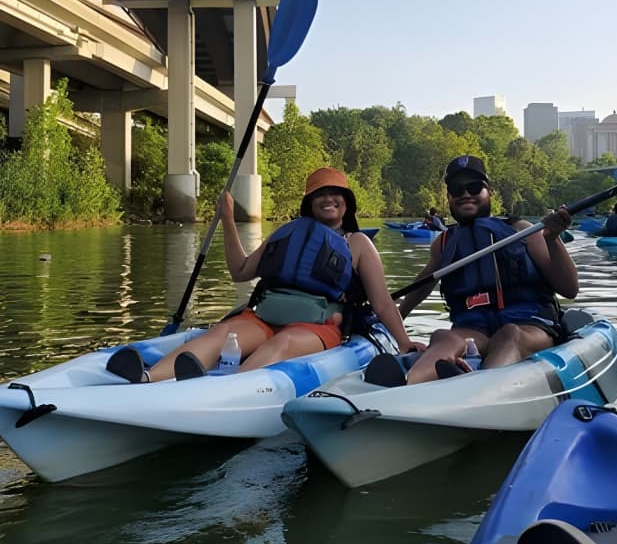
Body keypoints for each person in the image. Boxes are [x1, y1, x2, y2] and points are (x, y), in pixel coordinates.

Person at [106, 167, 423, 382]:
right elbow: (241, 271)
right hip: (265, 316)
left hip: (320, 325)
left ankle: (218, 390)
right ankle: (147, 378)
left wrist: (405, 342)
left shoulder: (358, 244)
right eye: (320, 194)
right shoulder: (287, 234)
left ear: (346, 203)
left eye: (335, 193)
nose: (328, 198)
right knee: (219, 335)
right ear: (309, 203)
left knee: (282, 344)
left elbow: (381, 304)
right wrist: (228, 218)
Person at [367, 155, 578, 386]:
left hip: (529, 325)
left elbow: (569, 289)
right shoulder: (444, 242)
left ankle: (480, 389)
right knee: (444, 337)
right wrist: (388, 326)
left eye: (474, 187)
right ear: (449, 197)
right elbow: (420, 288)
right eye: (457, 189)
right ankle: (408, 385)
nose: (465, 194)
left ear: (490, 192)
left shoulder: (523, 231)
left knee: (509, 335)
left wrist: (553, 240)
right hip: (474, 328)